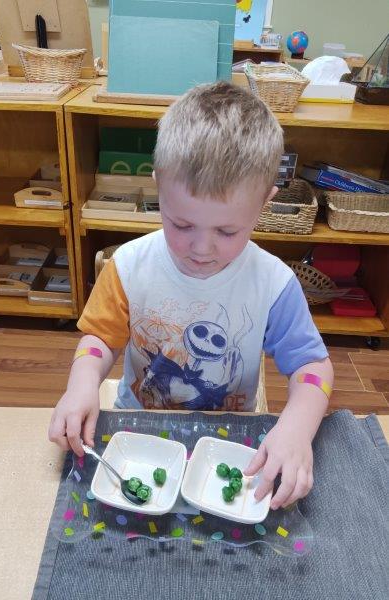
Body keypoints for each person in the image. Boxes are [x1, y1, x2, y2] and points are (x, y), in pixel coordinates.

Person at [49, 81, 333, 510]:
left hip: (232, 437)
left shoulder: (274, 284)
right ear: (158, 185)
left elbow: (312, 367)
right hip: (139, 429)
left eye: (227, 231)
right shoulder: (128, 266)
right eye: (181, 225)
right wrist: (81, 384)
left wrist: (296, 428)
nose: (202, 249)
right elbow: (99, 340)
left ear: (264, 203)